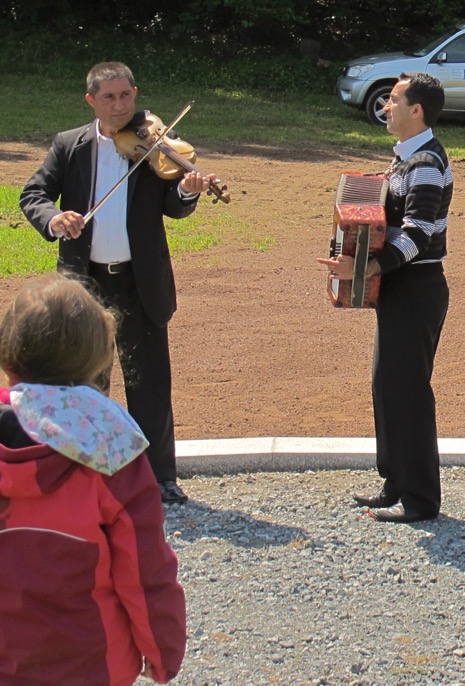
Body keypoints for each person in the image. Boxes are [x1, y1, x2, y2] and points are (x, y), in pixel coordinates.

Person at [20, 61, 218, 505]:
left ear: (135, 93)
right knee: (86, 380)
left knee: (149, 381)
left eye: (126, 96)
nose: (120, 105)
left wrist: (187, 190)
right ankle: (83, 472)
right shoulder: (69, 146)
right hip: (84, 286)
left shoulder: (153, 146)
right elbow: (32, 195)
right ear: (91, 101)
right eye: (109, 97)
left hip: (138, 281)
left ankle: (160, 477)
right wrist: (55, 218)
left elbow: (173, 204)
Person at [0, 272, 186, 685]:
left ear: (9, 353)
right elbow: (144, 572)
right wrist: (163, 652)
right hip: (92, 664)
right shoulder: (112, 450)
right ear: (96, 355)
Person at [318, 72, 453, 523]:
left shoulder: (426, 164)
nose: (385, 107)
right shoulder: (406, 159)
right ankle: (395, 482)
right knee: (386, 385)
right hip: (402, 287)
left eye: (394, 100)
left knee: (409, 393)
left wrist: (366, 269)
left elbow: (418, 235)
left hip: (417, 288)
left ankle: (420, 501)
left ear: (417, 110)